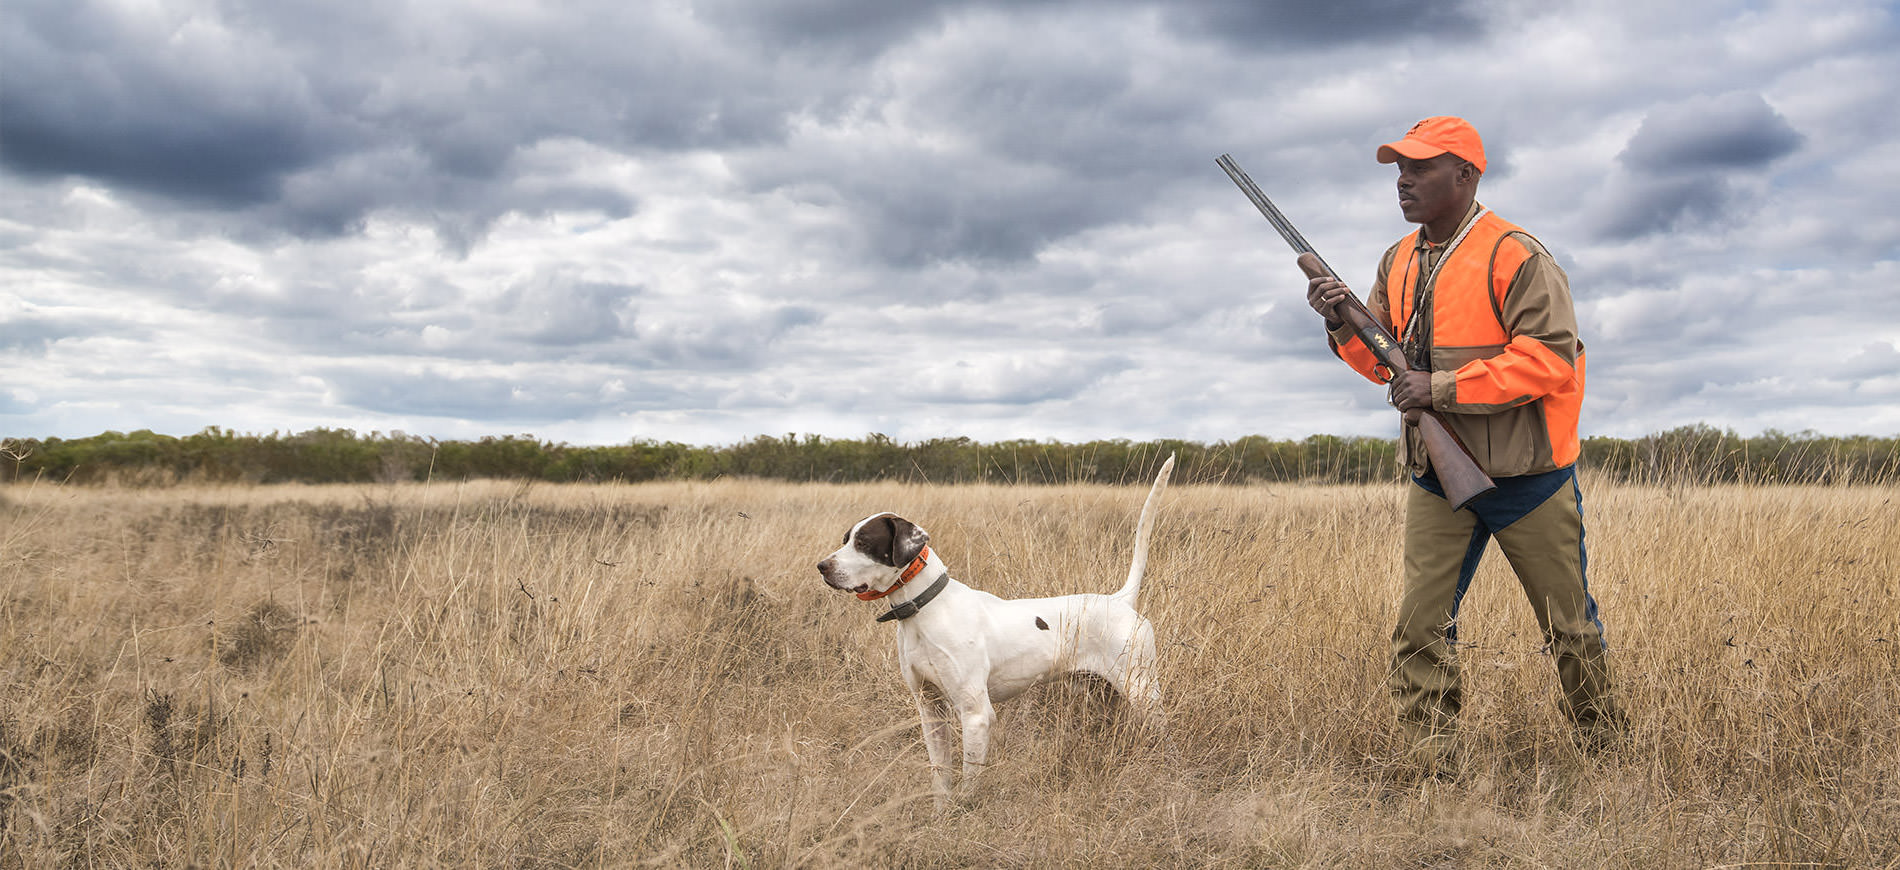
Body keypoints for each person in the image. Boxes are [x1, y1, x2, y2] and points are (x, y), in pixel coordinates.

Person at [1305, 116, 1624, 773]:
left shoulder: (1517, 254)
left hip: (1528, 479)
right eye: (1400, 168)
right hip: (1437, 479)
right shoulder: (1397, 260)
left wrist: (1441, 388)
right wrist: (1340, 324)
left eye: (1420, 168)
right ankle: (1433, 770)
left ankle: (1608, 757)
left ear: (1466, 175)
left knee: (1569, 630)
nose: (1404, 180)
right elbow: (1382, 367)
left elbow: (1548, 361)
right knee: (1419, 630)